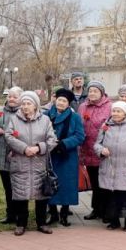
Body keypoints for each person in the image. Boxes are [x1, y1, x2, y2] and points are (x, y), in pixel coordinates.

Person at [5, 91, 58, 235]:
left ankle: (41, 223)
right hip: (20, 163)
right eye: (23, 104)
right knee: (20, 195)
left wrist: (38, 148)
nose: (25, 106)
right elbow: (8, 137)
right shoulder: (14, 119)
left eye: (29, 104)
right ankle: (21, 224)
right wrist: (24, 149)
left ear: (35, 106)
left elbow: (52, 140)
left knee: (41, 195)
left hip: (39, 163)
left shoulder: (45, 120)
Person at [94, 101, 126, 231]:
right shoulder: (106, 126)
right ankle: (114, 221)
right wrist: (101, 150)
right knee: (112, 196)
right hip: (109, 166)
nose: (115, 114)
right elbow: (97, 144)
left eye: (119, 111)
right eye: (114, 111)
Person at [46, 89, 85, 226]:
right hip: (50, 155)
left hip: (67, 155)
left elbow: (80, 136)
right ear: (55, 101)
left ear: (68, 104)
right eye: (59, 100)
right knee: (49, 183)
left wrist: (64, 143)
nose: (61, 103)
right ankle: (52, 213)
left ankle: (64, 213)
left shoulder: (75, 118)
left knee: (66, 185)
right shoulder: (46, 115)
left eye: (64, 101)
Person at [78, 81, 113, 222]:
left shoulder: (109, 106)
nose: (92, 93)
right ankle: (96, 209)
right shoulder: (83, 106)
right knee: (94, 181)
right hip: (87, 150)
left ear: (102, 93)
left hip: (103, 151)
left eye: (95, 91)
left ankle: (107, 210)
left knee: (104, 182)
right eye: (90, 90)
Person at [0, 87, 22, 224]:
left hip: (16, 154)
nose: (11, 99)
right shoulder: (0, 112)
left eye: (15, 97)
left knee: (18, 186)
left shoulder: (23, 113)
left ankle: (19, 214)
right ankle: (10, 214)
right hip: (2, 154)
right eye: (9, 96)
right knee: (7, 187)